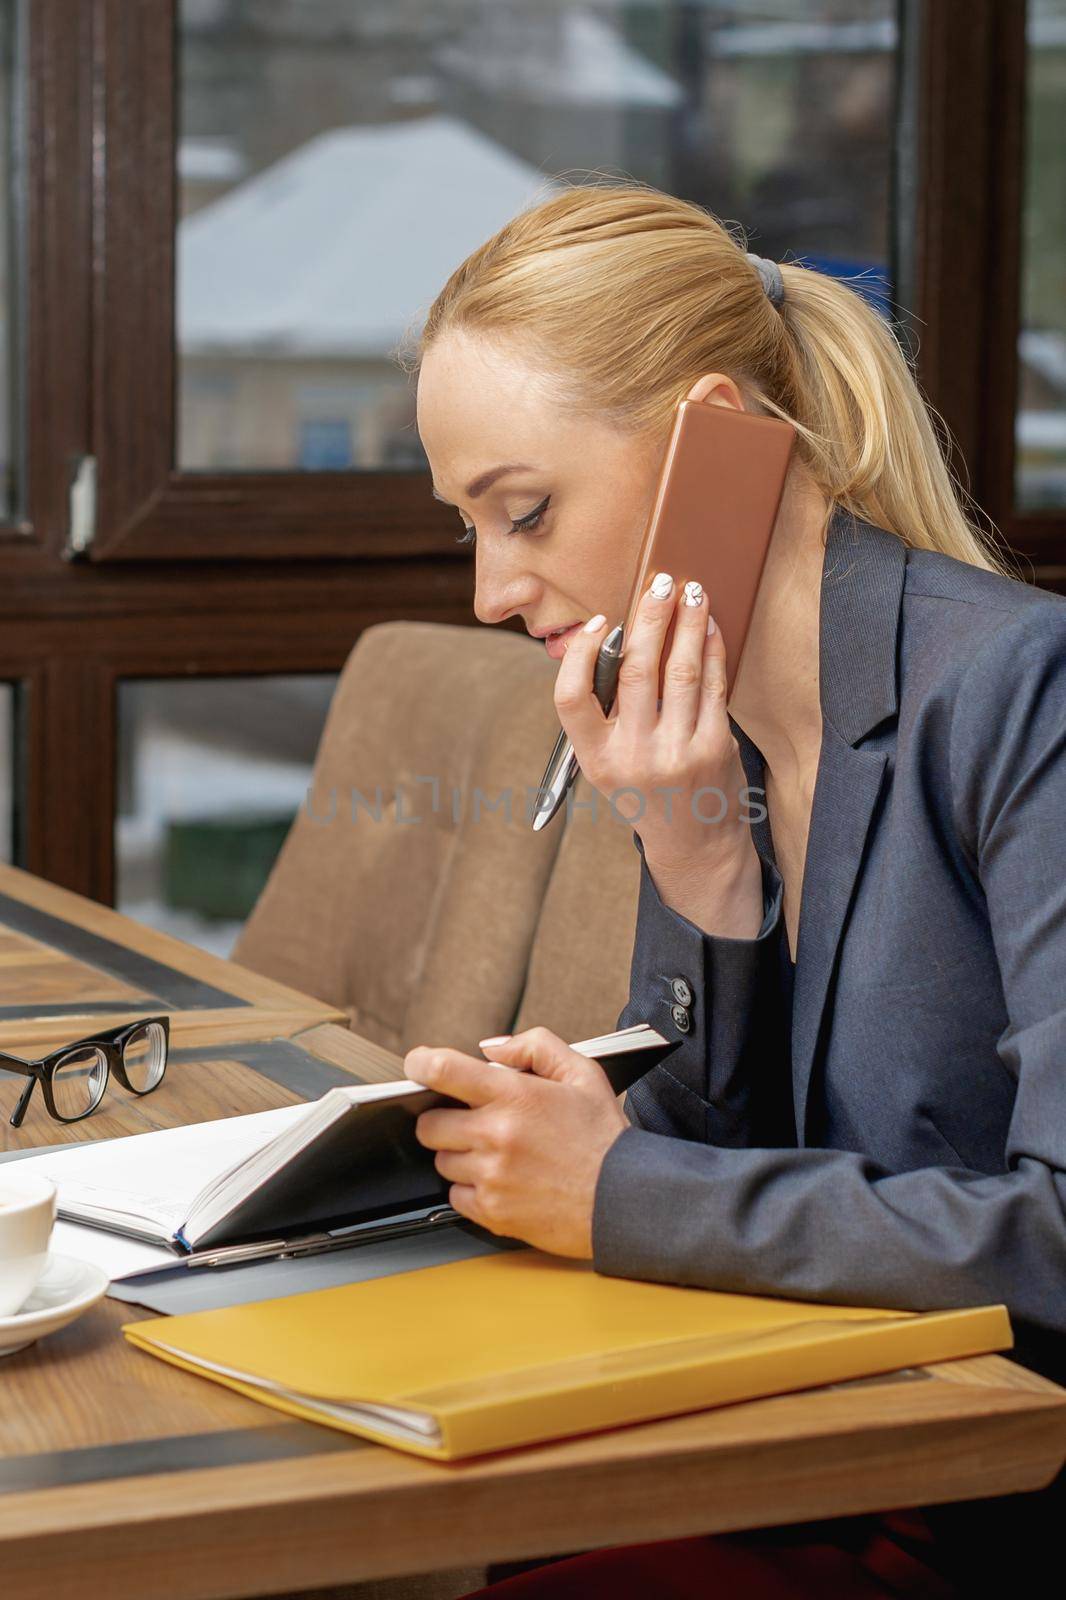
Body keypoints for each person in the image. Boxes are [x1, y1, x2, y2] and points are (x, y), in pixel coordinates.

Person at [401, 182, 1066, 1596]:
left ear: (715, 434)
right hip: (814, 1443)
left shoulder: (1017, 690)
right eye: (471, 526)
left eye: (523, 511)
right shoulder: (710, 735)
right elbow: (748, 1162)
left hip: (994, 1498)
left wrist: (620, 1185)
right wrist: (703, 872)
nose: (488, 588)